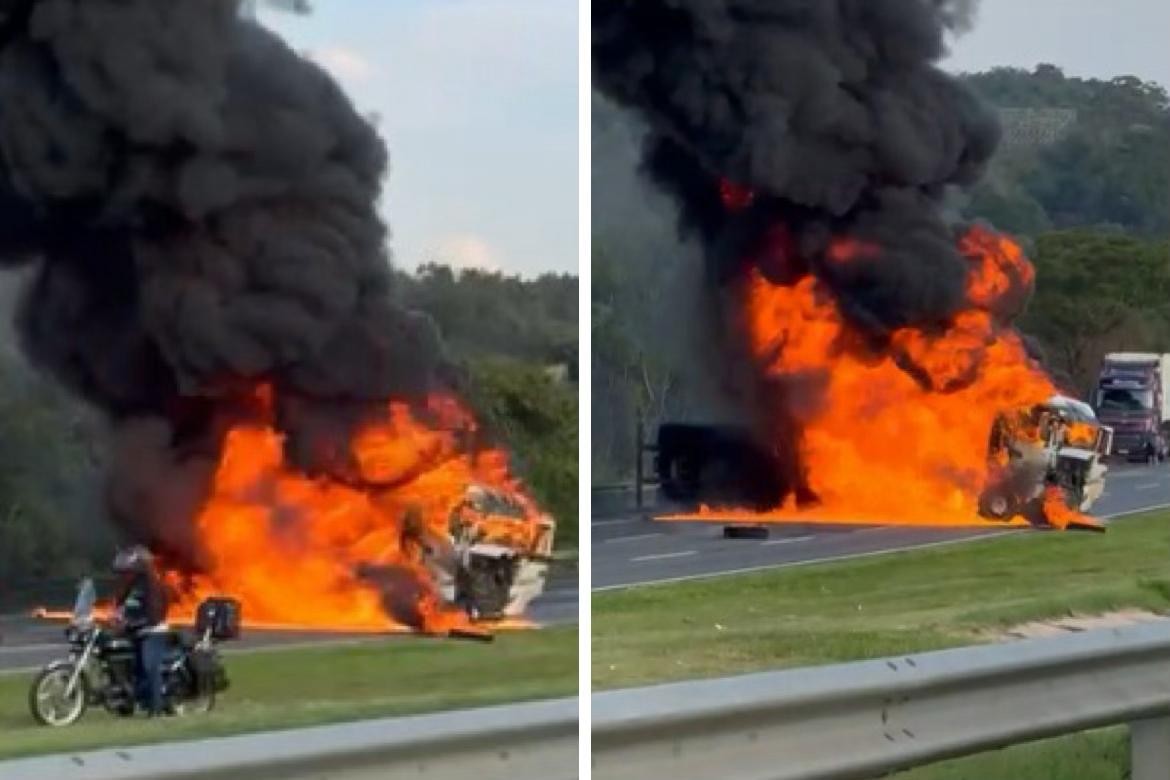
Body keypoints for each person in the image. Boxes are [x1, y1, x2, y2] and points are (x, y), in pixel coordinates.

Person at [111, 545, 170, 716]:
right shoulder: (131, 587)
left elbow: (154, 614)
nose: (124, 575)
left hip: (153, 632)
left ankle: (156, 708)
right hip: (135, 631)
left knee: (149, 666)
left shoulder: (154, 587)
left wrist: (136, 623)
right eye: (123, 572)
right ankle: (129, 700)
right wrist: (116, 616)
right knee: (129, 664)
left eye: (128, 571)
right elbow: (119, 605)